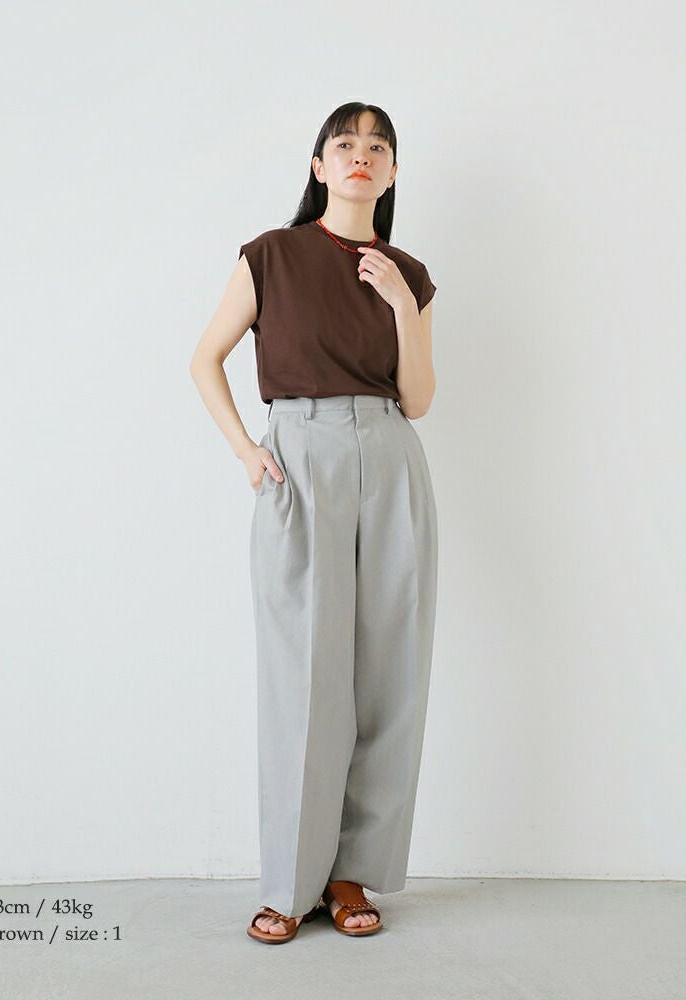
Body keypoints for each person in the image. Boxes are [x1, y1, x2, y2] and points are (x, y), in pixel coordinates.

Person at [189, 101, 438, 944]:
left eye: (378, 147)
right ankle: (289, 882)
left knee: (390, 671)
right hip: (299, 454)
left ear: (393, 172)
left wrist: (400, 302)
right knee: (304, 671)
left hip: (389, 453)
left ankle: (350, 874)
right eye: (345, 144)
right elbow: (205, 357)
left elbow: (419, 399)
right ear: (319, 164)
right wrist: (245, 451)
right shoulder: (272, 255)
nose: (361, 156)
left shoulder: (409, 273)